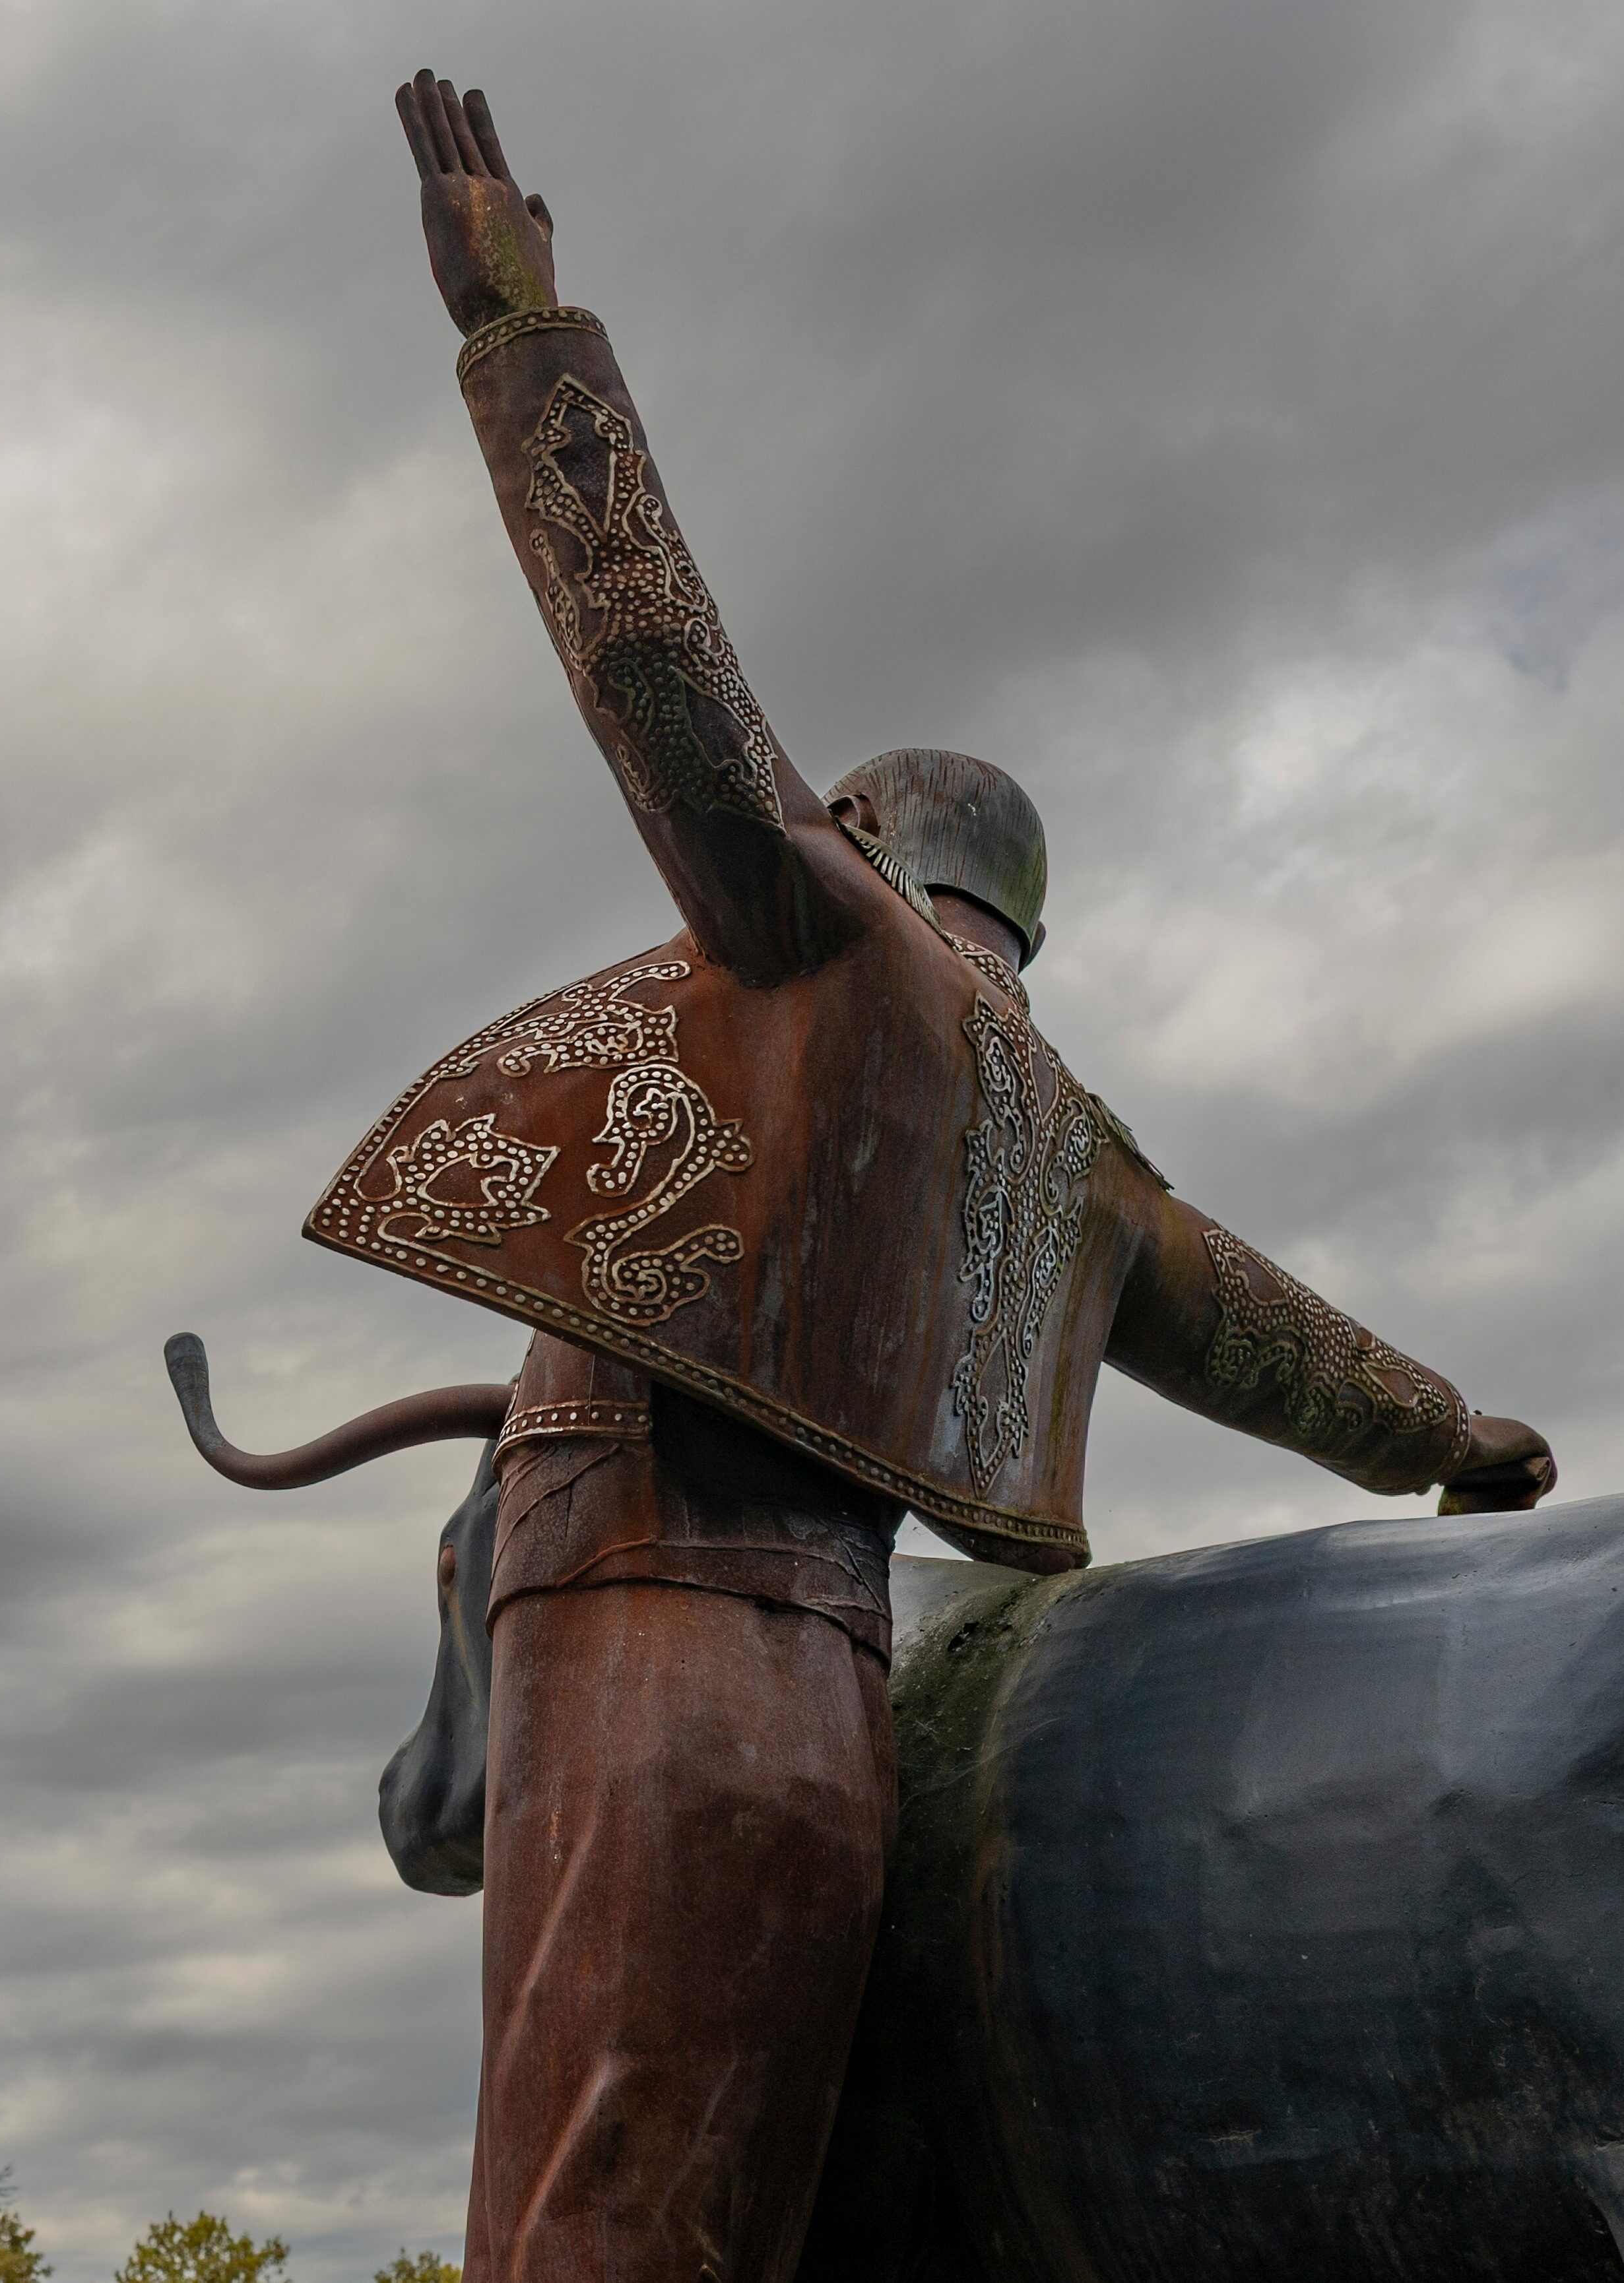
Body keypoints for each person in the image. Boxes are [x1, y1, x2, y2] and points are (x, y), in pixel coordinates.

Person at [308, 69, 1556, 2283]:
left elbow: (659, 676)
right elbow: (1288, 1347)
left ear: (874, 844)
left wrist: (522, 342)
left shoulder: (823, 940)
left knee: (595, 2224)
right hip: (838, 1716)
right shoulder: (1076, 1155)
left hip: (636, 1644)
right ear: (1030, 921)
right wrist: (1459, 1437)